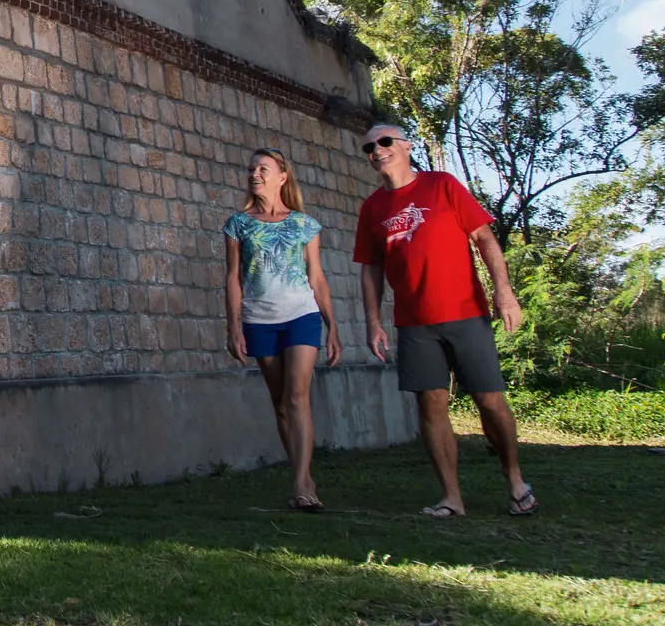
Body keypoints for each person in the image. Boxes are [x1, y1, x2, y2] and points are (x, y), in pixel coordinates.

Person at [353, 123, 538, 518]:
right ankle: (452, 498)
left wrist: (503, 292)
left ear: (405, 147)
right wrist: (373, 321)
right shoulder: (372, 208)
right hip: (415, 323)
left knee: (489, 400)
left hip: (466, 312)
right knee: (431, 405)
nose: (377, 150)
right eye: (369, 147)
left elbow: (485, 238)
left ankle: (515, 478)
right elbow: (370, 269)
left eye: (385, 142)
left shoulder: (442, 185)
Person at [224, 148, 343, 512]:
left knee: (296, 398)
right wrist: (233, 326)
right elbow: (232, 279)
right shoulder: (238, 225)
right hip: (260, 320)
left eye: (263, 169)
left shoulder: (304, 224)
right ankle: (303, 477)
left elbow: (317, 277)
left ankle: (302, 483)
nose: (254, 174)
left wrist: (332, 325)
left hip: (301, 316)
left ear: (282, 176)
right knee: (280, 406)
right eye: (251, 169)